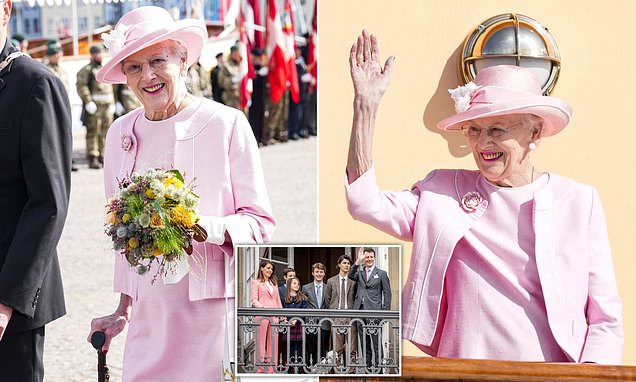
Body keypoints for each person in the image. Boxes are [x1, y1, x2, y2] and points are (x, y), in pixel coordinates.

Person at [345, 30, 623, 364]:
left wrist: (590, 375)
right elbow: (364, 203)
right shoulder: (443, 193)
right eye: (474, 130)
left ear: (535, 132)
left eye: (497, 130)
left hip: (552, 373)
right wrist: (366, 106)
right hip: (463, 369)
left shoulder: (579, 202)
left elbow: (605, 319)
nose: (482, 143)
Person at [86, 7, 275, 382]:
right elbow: (123, 238)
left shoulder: (227, 124)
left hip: (213, 322)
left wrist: (206, 227)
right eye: (135, 67)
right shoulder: (119, 134)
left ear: (183, 59)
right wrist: (122, 309)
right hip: (150, 322)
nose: (148, 76)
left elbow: (262, 225)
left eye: (158, 61)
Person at [0, 1, 72, 380]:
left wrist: (8, 299)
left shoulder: (36, 84)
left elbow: (48, 204)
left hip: (7, 295)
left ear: (7, 10)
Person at [348, 247, 391, 368]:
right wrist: (357, 261)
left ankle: (379, 369)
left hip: (374, 312)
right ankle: (367, 369)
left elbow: (387, 294)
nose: (369, 259)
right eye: (367, 257)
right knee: (364, 342)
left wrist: (385, 313)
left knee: (376, 342)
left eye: (371, 257)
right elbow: (350, 275)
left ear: (375, 258)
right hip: (360, 311)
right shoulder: (360, 272)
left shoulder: (381, 274)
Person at [76, 43, 115, 169]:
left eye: (101, 53)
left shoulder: (105, 69)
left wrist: (114, 103)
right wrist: (88, 101)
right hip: (95, 107)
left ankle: (103, 155)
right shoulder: (87, 70)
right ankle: (93, 156)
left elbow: (112, 87)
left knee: (106, 132)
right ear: (92, 55)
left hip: (107, 107)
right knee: (93, 131)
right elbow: (82, 86)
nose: (100, 55)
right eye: (97, 53)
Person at [43, 39, 78, 172]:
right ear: (50, 55)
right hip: (51, 107)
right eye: (55, 54)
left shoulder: (62, 70)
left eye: (59, 53)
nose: (58, 56)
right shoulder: (46, 70)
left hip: (64, 105)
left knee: (66, 133)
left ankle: (68, 160)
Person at [324, 254, 358, 364]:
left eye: (348, 263)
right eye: (344, 263)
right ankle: (338, 370)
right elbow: (327, 300)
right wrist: (333, 313)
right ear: (339, 265)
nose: (346, 265)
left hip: (350, 316)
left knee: (353, 347)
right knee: (337, 348)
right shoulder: (331, 281)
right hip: (336, 316)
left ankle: (352, 371)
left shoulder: (353, 281)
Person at [251, 260, 283, 373]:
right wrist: (263, 308)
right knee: (260, 343)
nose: (270, 270)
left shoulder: (274, 283)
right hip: (261, 316)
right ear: (262, 269)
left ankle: (271, 369)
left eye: (271, 269)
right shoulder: (256, 282)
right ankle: (259, 369)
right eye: (268, 268)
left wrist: (282, 316)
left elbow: (278, 301)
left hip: (274, 316)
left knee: (273, 344)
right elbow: (254, 300)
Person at [302, 262, 329, 364]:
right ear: (313, 273)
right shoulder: (306, 288)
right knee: (311, 346)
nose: (319, 274)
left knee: (323, 346)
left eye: (321, 272)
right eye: (317, 272)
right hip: (310, 321)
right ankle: (311, 366)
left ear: (324, 274)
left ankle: (322, 368)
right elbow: (303, 305)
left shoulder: (328, 287)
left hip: (324, 322)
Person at [281, 276, 308, 370]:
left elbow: (304, 312)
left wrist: (296, 319)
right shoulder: (284, 299)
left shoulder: (303, 298)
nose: (297, 285)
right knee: (289, 348)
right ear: (289, 285)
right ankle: (289, 368)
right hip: (288, 326)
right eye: (294, 283)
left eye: (298, 284)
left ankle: (299, 368)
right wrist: (285, 320)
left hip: (299, 326)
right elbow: (282, 311)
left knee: (299, 348)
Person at [249, 48, 267, 145]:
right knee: (254, 119)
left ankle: (261, 138)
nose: (259, 59)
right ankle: (255, 138)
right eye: (257, 57)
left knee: (261, 117)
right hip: (253, 98)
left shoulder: (261, 68)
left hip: (262, 98)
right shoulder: (251, 68)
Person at [218, 44, 243, 110]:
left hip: (242, 96)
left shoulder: (243, 64)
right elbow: (221, 82)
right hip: (231, 99)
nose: (237, 56)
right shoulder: (226, 65)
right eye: (235, 54)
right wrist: (232, 80)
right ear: (232, 54)